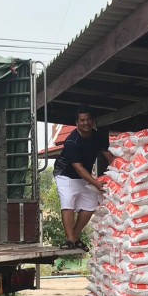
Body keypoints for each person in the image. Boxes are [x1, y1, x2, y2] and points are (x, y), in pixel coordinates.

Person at [53, 106, 113, 251]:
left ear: (93, 121)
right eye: (82, 120)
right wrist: (96, 183)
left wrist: (119, 171)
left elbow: (109, 156)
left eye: (88, 120)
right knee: (68, 201)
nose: (86, 123)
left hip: (83, 175)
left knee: (90, 204)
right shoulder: (72, 142)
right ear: (77, 123)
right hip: (65, 175)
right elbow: (78, 168)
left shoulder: (98, 136)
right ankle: (70, 240)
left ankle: (74, 237)